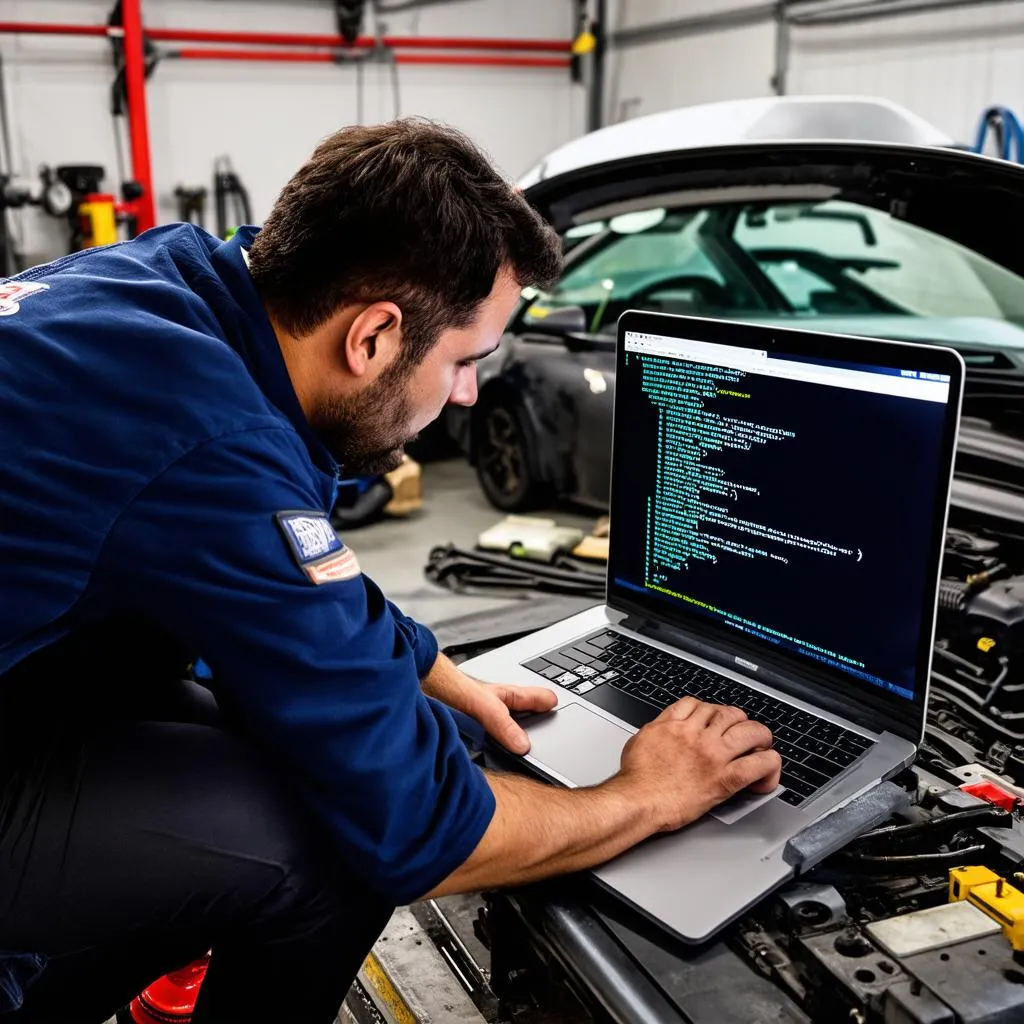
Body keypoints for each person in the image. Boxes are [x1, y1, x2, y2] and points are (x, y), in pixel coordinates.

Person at [0, 118, 782, 1023]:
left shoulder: (174, 282)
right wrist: (648, 795)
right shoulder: (207, 439)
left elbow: (261, 565)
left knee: (273, 737)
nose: (469, 396)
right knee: (334, 844)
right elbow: (421, 834)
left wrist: (421, 663)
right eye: (465, 359)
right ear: (373, 335)